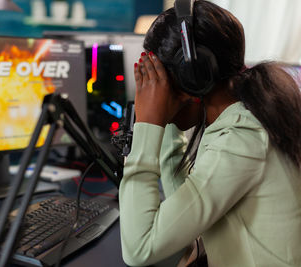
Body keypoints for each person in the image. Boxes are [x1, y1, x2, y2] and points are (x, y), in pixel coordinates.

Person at [119, 1, 301, 266]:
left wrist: (149, 124)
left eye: (159, 82)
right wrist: (166, 119)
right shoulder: (244, 119)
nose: (151, 91)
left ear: (193, 77)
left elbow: (139, 248)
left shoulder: (242, 138)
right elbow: (187, 212)